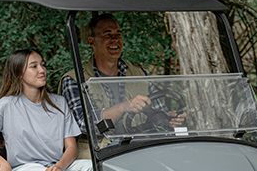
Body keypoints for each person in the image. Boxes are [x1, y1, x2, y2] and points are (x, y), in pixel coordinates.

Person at [58, 13, 185, 149]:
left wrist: (168, 118)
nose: (115, 39)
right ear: (92, 41)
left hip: (137, 149)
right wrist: (123, 107)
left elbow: (158, 110)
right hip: (96, 157)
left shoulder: (139, 73)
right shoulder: (74, 80)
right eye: (108, 35)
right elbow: (85, 125)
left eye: (118, 34)